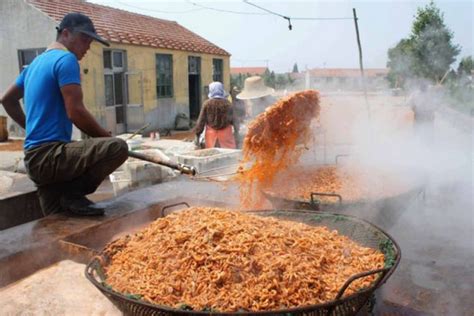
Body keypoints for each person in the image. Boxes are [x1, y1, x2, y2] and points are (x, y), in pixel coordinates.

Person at [0, 13, 128, 216]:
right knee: (117, 147)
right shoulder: (66, 59)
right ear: (66, 33)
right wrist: (105, 136)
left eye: (90, 42)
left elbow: (7, 99)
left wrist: (31, 127)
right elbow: (75, 111)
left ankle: (68, 197)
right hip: (51, 157)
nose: (87, 47)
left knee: (57, 222)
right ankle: (73, 193)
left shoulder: (35, 64)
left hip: (35, 161)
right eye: (84, 40)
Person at [194, 82, 237, 149]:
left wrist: (197, 135)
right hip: (226, 136)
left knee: (212, 155)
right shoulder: (228, 104)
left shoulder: (207, 104)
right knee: (228, 155)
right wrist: (237, 133)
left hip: (211, 137)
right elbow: (234, 121)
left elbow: (201, 121)